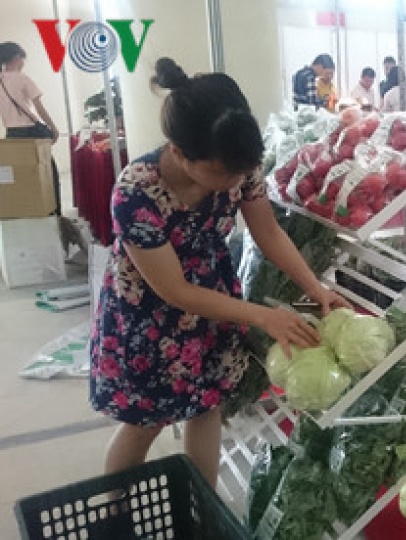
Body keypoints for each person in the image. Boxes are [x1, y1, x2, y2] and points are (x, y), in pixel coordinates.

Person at [89, 57, 349, 486]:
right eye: (220, 173)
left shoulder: (239, 166)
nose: (233, 181)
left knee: (207, 405)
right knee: (144, 422)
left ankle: (202, 505)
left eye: (241, 172)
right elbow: (174, 290)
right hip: (149, 317)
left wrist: (315, 288)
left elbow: (269, 233)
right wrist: (263, 316)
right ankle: (113, 511)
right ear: (179, 153)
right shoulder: (136, 192)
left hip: (213, 305)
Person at [0, 42, 62, 215]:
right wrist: (53, 127)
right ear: (16, 57)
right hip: (31, 134)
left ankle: (26, 212)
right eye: (22, 59)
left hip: (12, 135)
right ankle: (53, 214)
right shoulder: (22, 78)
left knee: (19, 176)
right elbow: (39, 108)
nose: (23, 63)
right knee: (48, 173)